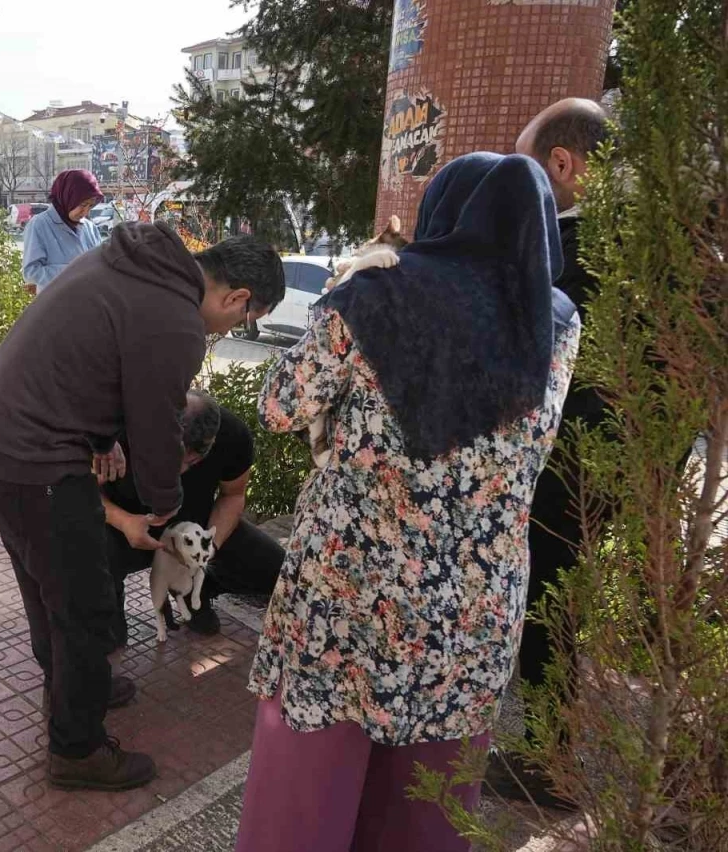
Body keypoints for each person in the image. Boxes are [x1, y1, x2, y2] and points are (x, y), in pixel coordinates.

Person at [235, 153, 581, 852]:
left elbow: (278, 405)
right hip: (472, 617)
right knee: (427, 814)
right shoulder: (555, 320)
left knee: (302, 812)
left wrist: (349, 282)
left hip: (348, 599)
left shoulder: (374, 297)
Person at [0, 225, 284, 792]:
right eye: (244, 319)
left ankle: (72, 687)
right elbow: (159, 427)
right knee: (82, 604)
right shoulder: (176, 320)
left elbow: (98, 364)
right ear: (236, 298)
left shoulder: (129, 262)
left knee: (45, 584)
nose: (236, 328)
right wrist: (165, 508)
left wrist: (104, 436)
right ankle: (77, 749)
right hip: (34, 458)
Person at [501, 97, 612, 804]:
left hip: (566, 466)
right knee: (560, 603)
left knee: (550, 604)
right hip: (610, 466)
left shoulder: (571, 254)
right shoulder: (638, 244)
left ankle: (549, 763)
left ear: (562, 166)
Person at [101, 390, 284, 643]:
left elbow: (233, 496)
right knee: (94, 562)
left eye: (190, 463)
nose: (177, 473)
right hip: (126, 530)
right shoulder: (120, 429)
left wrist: (209, 550)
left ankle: (197, 589)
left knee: (277, 571)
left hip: (195, 530)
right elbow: (83, 490)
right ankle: (109, 609)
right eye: (168, 461)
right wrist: (124, 522)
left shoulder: (232, 435)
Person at [21, 169, 103, 295]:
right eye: (82, 204)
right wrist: (75, 272)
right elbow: (31, 272)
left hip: (88, 305)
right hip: (56, 307)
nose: (86, 212)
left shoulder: (90, 228)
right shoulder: (39, 225)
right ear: (67, 197)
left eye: (91, 206)